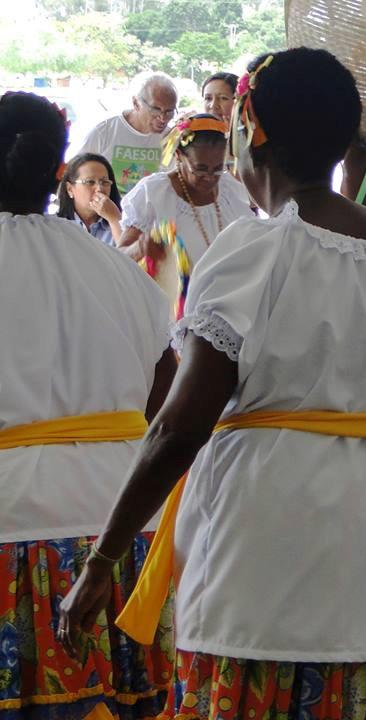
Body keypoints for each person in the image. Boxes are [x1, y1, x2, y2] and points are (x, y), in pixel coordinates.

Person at [57, 47, 366, 719]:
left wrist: (103, 558)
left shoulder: (254, 251)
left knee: (259, 671)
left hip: (275, 508)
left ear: (249, 133)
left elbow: (181, 427)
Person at [0, 91, 176, 720]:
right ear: (59, 174)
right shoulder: (119, 272)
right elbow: (167, 402)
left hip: (16, 529)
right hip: (124, 530)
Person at [118, 114, 252, 319]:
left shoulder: (231, 191)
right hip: (171, 317)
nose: (209, 178)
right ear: (179, 155)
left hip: (227, 310)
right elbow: (119, 257)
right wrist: (140, 248)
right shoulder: (153, 194)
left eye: (218, 169)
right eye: (200, 169)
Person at [78, 71, 178, 195]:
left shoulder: (170, 138)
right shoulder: (104, 131)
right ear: (136, 103)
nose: (163, 118)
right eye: (156, 109)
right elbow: (76, 173)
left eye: (169, 111)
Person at [56, 152, 123, 245]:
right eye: (90, 182)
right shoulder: (54, 226)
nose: (99, 189)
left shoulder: (121, 222)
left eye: (104, 182)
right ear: (70, 189)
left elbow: (129, 257)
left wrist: (114, 220)